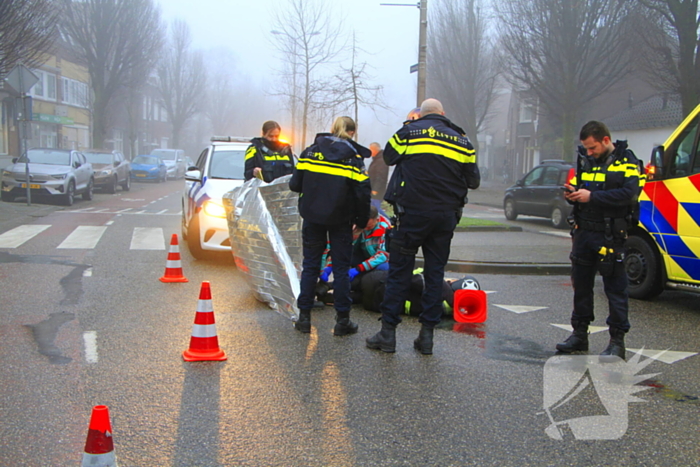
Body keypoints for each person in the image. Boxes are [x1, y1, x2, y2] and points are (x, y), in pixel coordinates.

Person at [366, 98, 480, 355]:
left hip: (412, 215)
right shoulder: (462, 140)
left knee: (399, 273)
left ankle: (388, 335)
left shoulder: (407, 132)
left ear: (420, 115)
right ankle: (426, 336)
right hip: (444, 218)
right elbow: (473, 181)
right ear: (443, 114)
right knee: (434, 274)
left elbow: (391, 156)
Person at [556, 121, 643, 360]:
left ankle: (617, 342)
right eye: (586, 148)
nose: (589, 152)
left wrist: (591, 196)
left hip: (610, 234)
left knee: (615, 288)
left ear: (606, 140)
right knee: (581, 286)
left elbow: (629, 194)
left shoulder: (627, 162)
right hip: (584, 231)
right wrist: (574, 194)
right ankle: (579, 335)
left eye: (593, 147)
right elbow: (583, 188)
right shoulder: (585, 159)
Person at [289, 116, 371, 336]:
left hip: (312, 217)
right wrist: (362, 222)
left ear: (332, 129)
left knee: (311, 266)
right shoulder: (353, 158)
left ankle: (304, 317)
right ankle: (342, 321)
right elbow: (363, 194)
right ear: (352, 132)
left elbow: (295, 184)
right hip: (341, 220)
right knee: (341, 269)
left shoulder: (309, 152)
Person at [367, 143, 389, 216]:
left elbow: (380, 177)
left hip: (377, 191)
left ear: (374, 150)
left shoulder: (381, 161)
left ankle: (389, 221)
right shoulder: (377, 160)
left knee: (375, 210)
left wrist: (375, 189)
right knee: (375, 209)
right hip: (373, 189)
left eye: (370, 150)